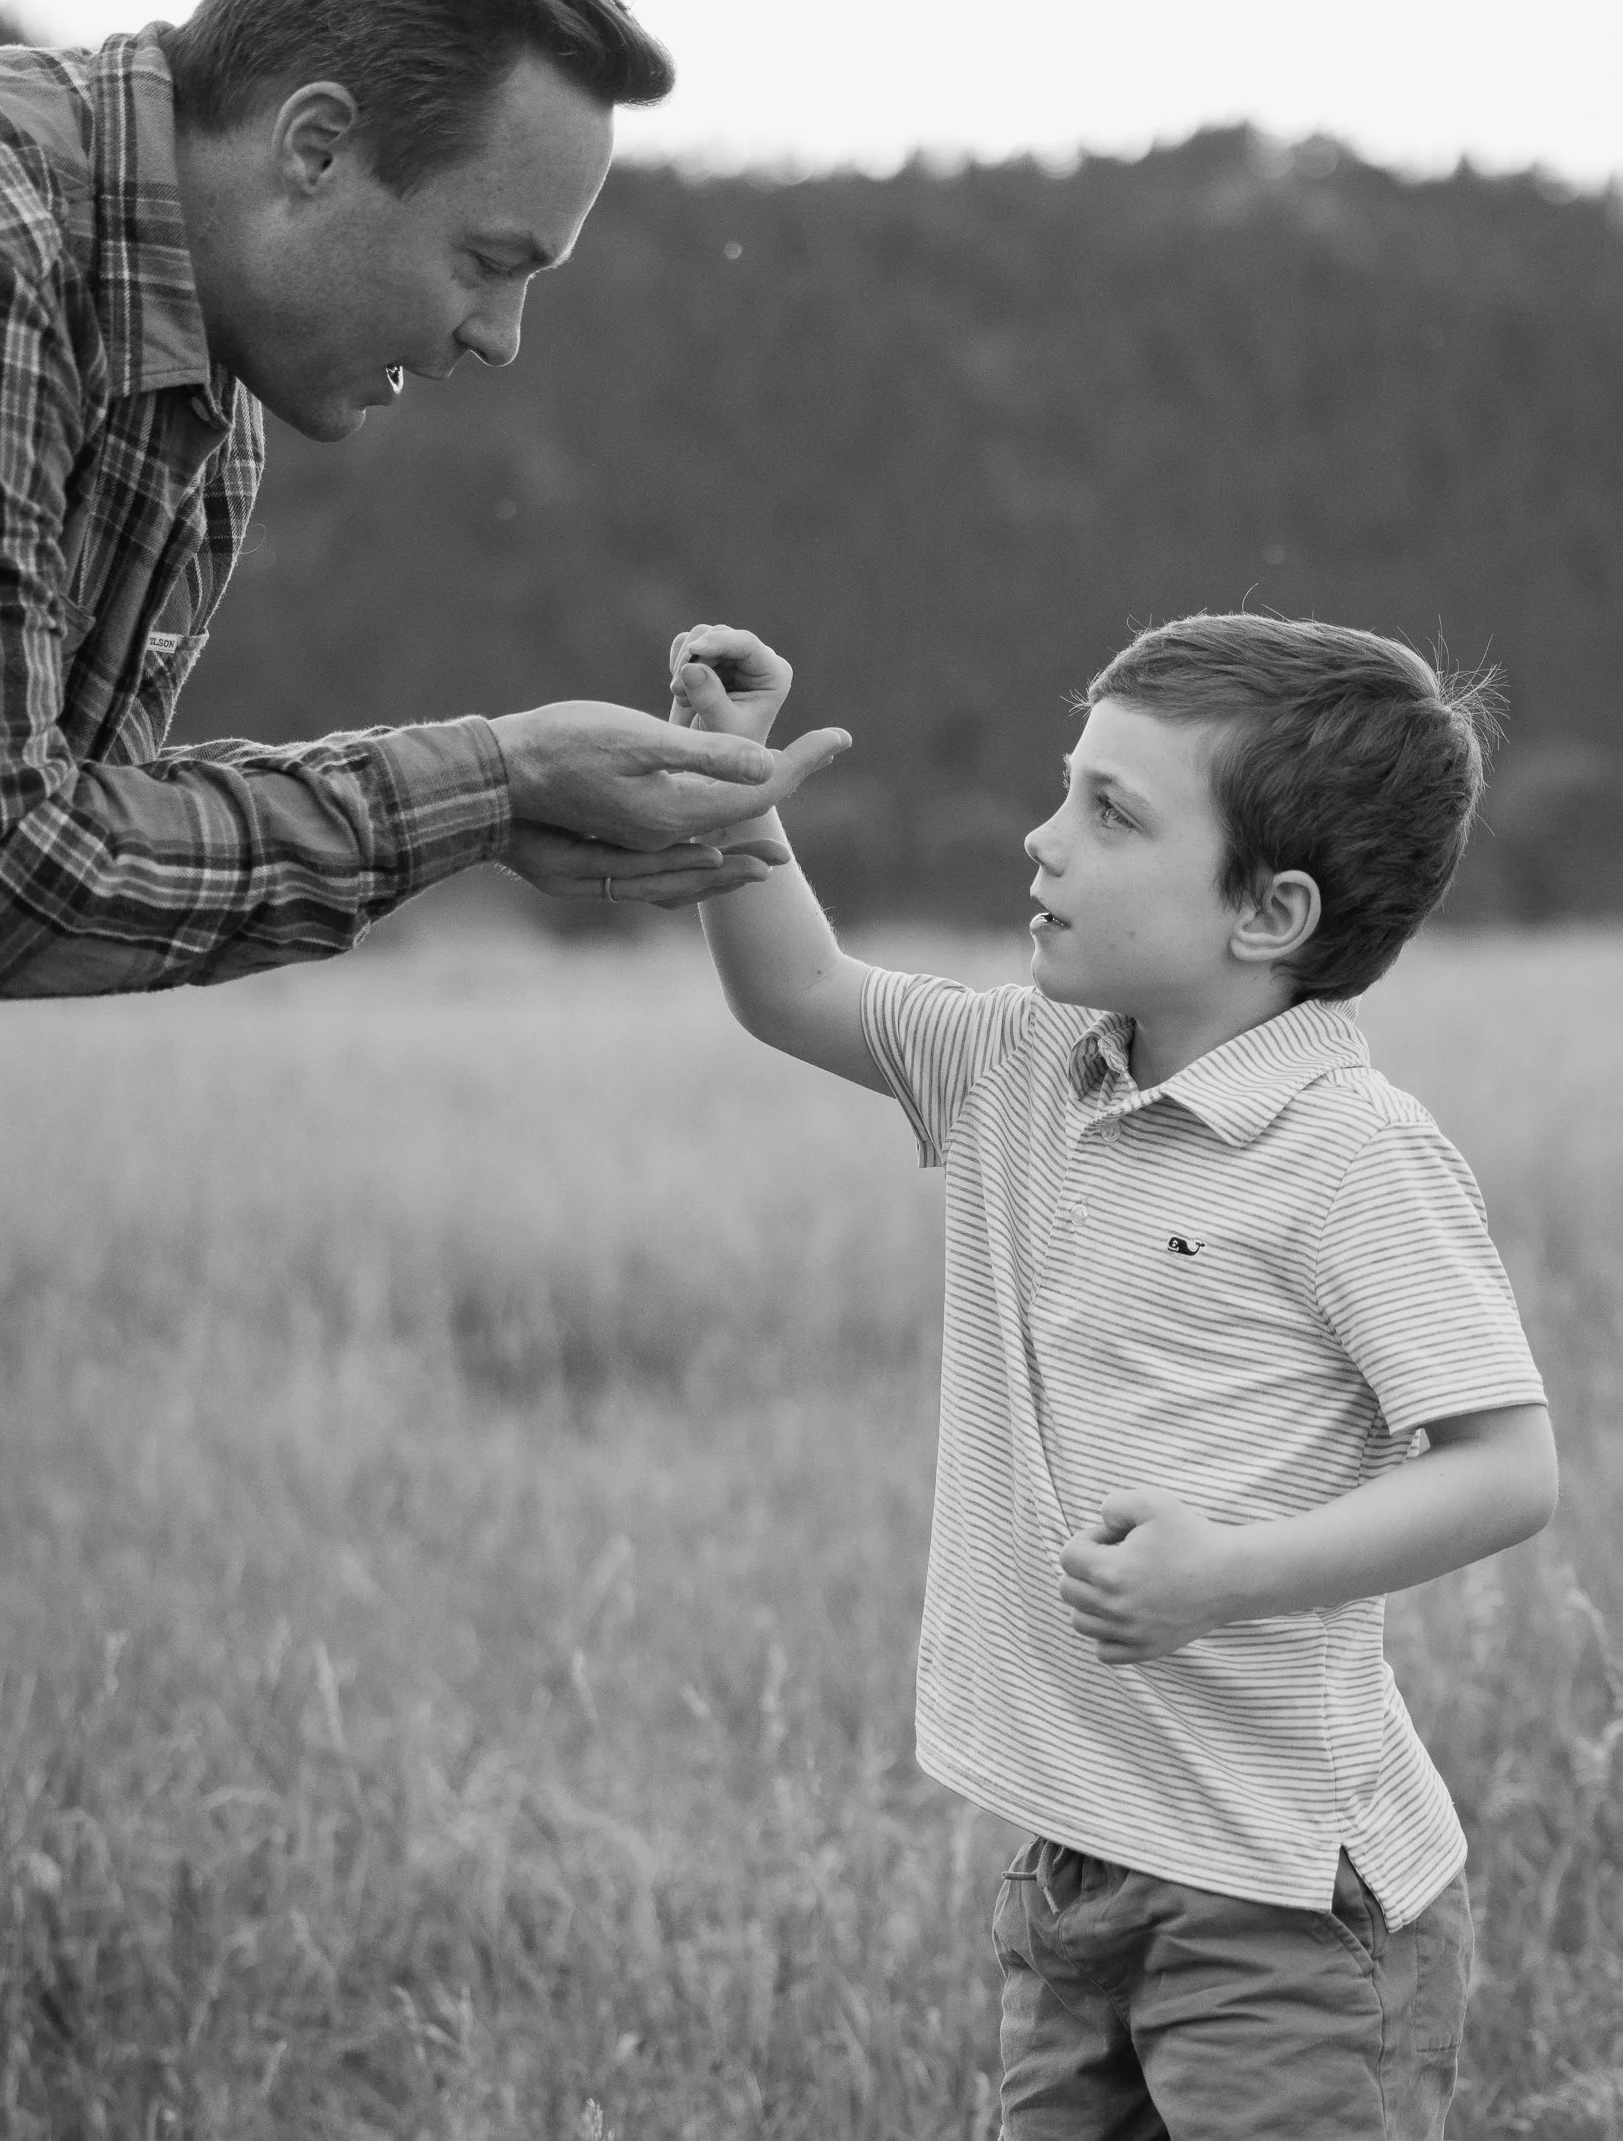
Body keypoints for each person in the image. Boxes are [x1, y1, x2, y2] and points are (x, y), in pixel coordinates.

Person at [665, 609, 1557, 2140]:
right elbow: (791, 991)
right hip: (1076, 1863)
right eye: (1063, 786)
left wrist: (1228, 1574)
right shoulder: (1016, 1063)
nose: (1041, 837)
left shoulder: (1348, 1153)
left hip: (1284, 1905)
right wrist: (726, 780)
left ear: (1266, 912)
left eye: (1109, 813)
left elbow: (1505, 1468)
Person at [0, 0, 844, 1030]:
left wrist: (493, 804)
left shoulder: (212, 415)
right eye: (487, 261)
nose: (502, 339)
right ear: (314, 147)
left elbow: (78, 822)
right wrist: (490, 774)